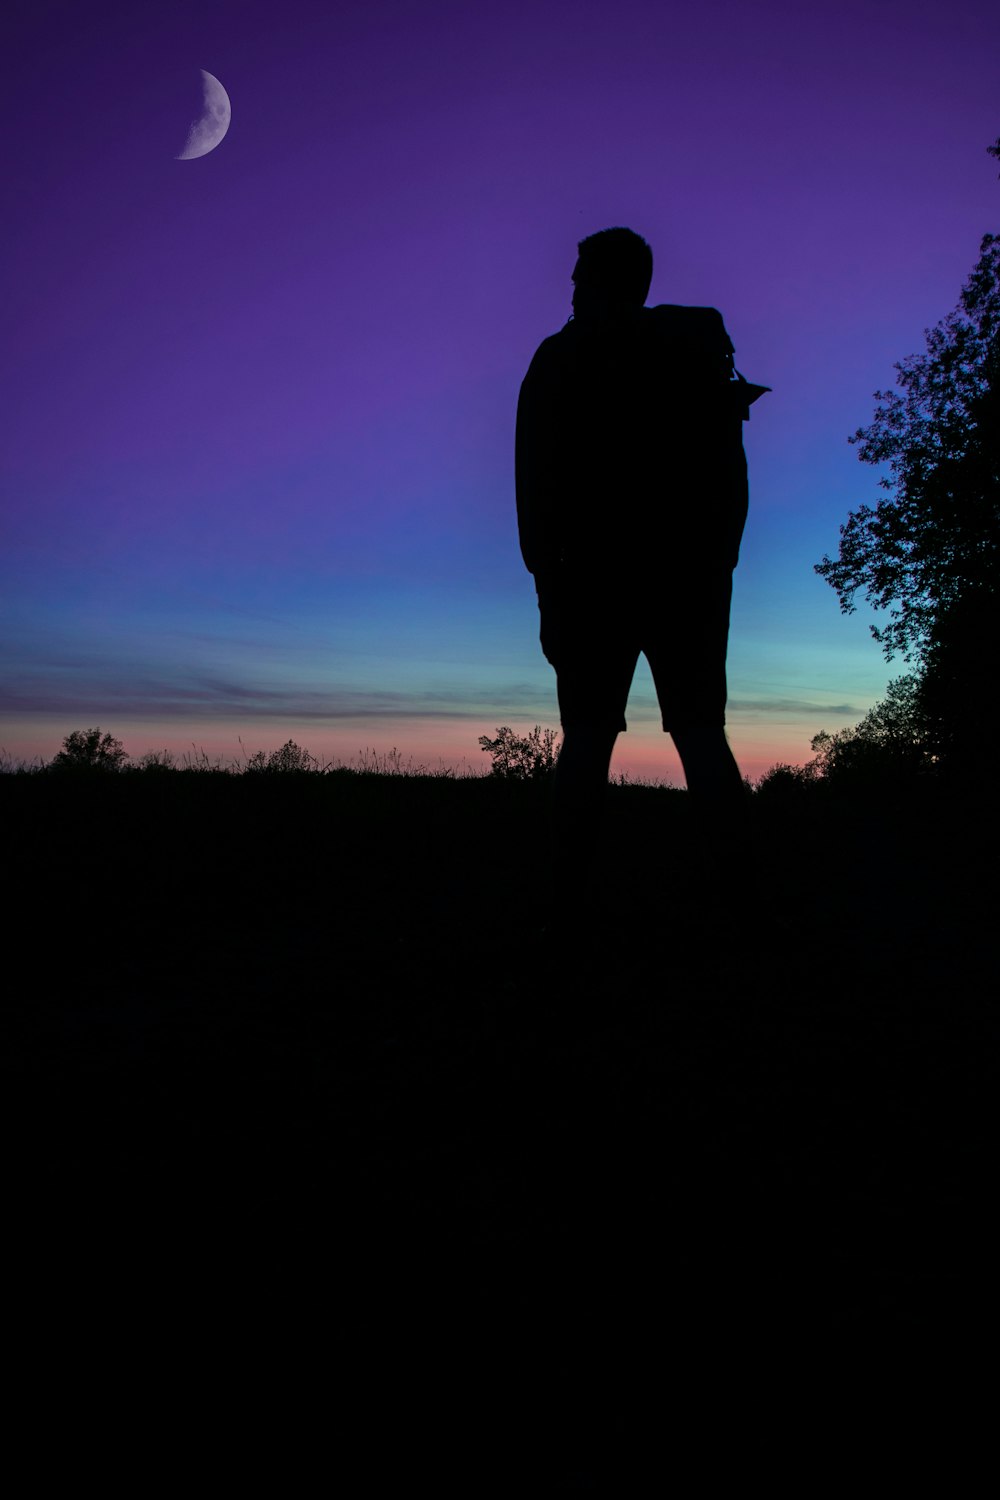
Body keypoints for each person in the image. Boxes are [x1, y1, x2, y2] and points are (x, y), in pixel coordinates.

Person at [515, 227, 757, 936]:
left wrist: (547, 590)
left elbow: (535, 485)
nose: (571, 285)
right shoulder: (692, 352)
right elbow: (729, 478)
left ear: (601, 279)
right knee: (701, 734)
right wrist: (720, 567)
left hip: (593, 584)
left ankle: (565, 909)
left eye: (581, 273)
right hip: (689, 580)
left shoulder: (561, 360)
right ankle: (740, 907)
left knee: (588, 739)